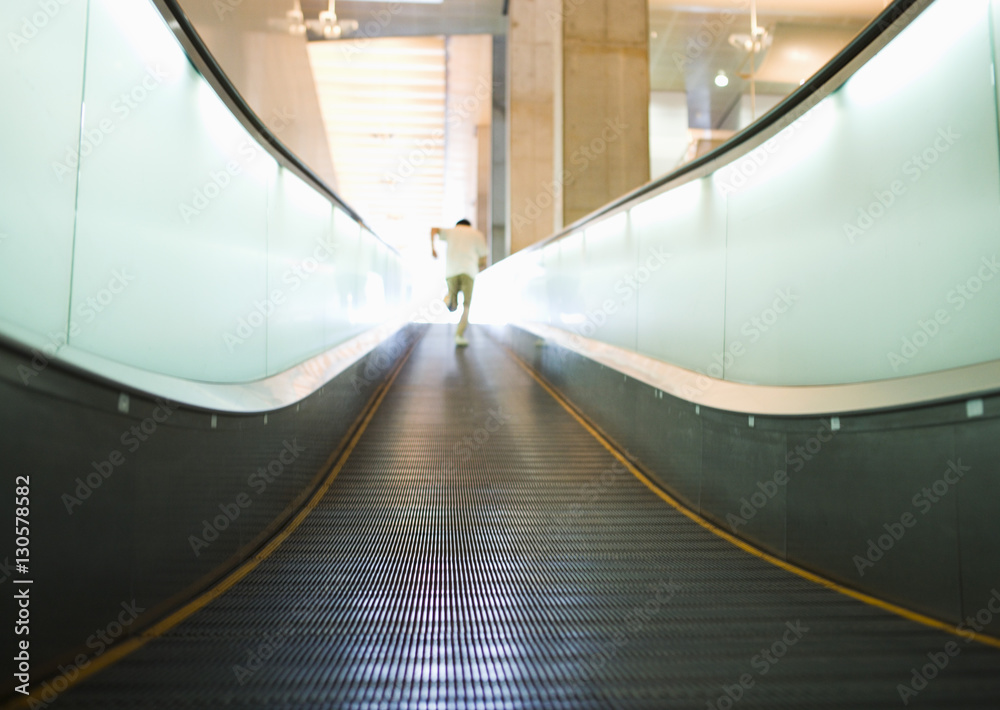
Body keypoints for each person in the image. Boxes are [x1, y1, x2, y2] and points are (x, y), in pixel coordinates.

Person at [431, 219, 488, 346]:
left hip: (451, 271)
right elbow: (483, 258)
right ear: (470, 225)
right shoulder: (477, 234)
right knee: (466, 305)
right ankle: (459, 335)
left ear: (458, 225)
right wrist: (479, 265)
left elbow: (433, 229)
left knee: (453, 305)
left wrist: (433, 249)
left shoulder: (451, 232)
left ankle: (449, 300)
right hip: (469, 271)